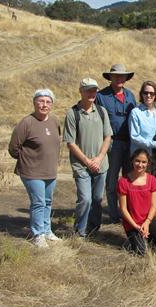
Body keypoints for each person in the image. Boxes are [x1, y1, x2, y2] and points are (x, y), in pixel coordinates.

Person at [8, 89, 61, 248]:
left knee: (47, 201)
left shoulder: (54, 121)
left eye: (48, 102)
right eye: (41, 101)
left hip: (50, 170)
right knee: (38, 202)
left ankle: (46, 230)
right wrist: (27, 160)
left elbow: (56, 142)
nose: (44, 105)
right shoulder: (26, 123)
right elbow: (13, 148)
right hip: (32, 172)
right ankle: (37, 235)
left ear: (51, 104)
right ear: (34, 102)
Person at [63, 78, 112, 237]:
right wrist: (87, 161)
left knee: (97, 199)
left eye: (94, 90)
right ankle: (80, 232)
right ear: (81, 91)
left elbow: (107, 137)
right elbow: (70, 142)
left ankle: (94, 229)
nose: (91, 93)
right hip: (81, 166)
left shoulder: (101, 111)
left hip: (101, 164)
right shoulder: (73, 114)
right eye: (88, 90)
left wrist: (98, 158)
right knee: (85, 199)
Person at [96, 63, 137, 224]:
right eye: (116, 76)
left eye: (122, 76)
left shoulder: (130, 96)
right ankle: (114, 215)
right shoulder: (101, 96)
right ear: (110, 77)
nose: (119, 78)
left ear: (126, 78)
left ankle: (129, 213)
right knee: (111, 181)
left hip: (129, 143)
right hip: (112, 144)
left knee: (129, 180)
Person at [118, 148, 156, 255]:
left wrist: (147, 223)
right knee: (141, 252)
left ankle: (150, 243)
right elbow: (123, 209)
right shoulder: (123, 182)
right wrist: (136, 226)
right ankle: (133, 242)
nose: (140, 164)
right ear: (132, 161)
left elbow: (153, 206)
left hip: (148, 219)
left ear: (148, 164)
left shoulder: (152, 180)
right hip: (132, 223)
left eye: (144, 162)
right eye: (137, 161)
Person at [128, 80, 156, 219]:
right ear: (142, 94)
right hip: (142, 158)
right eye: (146, 93)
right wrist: (155, 144)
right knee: (141, 186)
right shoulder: (136, 113)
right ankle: (140, 213)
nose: (149, 96)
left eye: (152, 93)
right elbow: (135, 136)